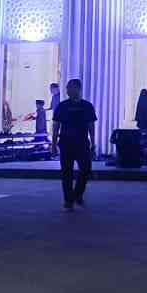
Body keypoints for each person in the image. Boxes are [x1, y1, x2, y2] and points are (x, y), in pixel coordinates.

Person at [53, 78, 97, 210]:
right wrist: (53, 144)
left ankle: (77, 194)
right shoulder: (62, 106)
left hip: (82, 142)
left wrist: (93, 142)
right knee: (67, 172)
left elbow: (91, 125)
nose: (67, 90)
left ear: (78, 89)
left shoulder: (87, 106)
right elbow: (56, 126)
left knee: (86, 169)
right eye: (67, 88)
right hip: (66, 142)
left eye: (70, 88)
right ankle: (68, 200)